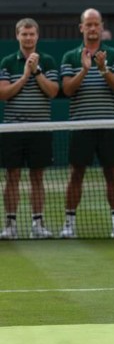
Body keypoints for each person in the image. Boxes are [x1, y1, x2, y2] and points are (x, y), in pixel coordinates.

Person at [60, 9, 114, 239]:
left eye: (95, 24)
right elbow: (68, 89)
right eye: (88, 24)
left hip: (107, 125)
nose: (92, 28)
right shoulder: (70, 56)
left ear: (101, 27)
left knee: (112, 174)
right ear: (81, 27)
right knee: (76, 174)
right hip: (81, 126)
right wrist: (85, 69)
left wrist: (102, 69)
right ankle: (69, 224)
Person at [0, 18, 58, 240]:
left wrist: (36, 72)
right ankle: (11, 225)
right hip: (13, 129)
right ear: (17, 36)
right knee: (12, 176)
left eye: (32, 34)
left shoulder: (49, 61)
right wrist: (25, 75)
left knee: (37, 177)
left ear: (37, 36)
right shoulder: (7, 62)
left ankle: (37, 224)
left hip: (39, 129)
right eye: (24, 34)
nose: (28, 38)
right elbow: (3, 94)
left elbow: (53, 91)